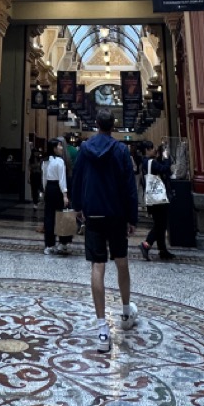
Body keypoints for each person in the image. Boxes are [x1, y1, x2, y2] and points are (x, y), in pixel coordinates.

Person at [71, 110, 139, 354]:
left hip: (94, 215)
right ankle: (125, 310)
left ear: (96, 124)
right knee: (122, 262)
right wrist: (132, 218)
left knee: (97, 266)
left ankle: (102, 328)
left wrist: (77, 206)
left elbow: (76, 178)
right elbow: (129, 186)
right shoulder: (121, 151)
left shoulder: (85, 150)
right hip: (117, 215)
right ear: (113, 126)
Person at [140, 142, 173, 262]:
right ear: (147, 150)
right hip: (158, 199)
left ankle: (162, 250)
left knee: (160, 223)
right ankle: (146, 244)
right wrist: (166, 157)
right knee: (160, 224)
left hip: (152, 199)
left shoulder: (145, 162)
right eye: (152, 148)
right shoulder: (150, 162)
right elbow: (164, 169)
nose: (154, 150)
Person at [42, 137, 72, 256]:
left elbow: (43, 179)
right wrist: (65, 195)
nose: (61, 148)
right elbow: (62, 180)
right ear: (54, 148)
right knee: (62, 215)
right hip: (58, 190)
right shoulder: (60, 161)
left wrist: (45, 191)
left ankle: (49, 245)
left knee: (49, 217)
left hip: (49, 188)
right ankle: (63, 243)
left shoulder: (45, 161)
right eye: (59, 146)